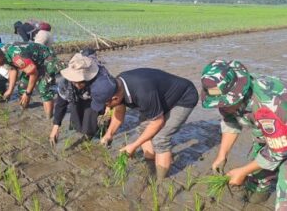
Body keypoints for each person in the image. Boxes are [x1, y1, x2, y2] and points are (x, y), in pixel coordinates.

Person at [201, 59, 287, 208]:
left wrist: (242, 171)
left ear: (237, 94)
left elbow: (278, 151)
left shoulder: (267, 105)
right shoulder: (232, 94)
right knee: (258, 175)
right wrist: (222, 155)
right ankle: (259, 197)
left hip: (281, 136)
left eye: (224, 103)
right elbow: (231, 121)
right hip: (272, 134)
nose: (222, 107)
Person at [92, 67, 198, 181]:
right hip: (159, 98)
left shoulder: (143, 92)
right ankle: (151, 163)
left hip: (183, 98)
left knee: (160, 139)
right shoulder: (116, 85)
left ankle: (160, 181)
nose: (107, 108)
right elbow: (119, 111)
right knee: (143, 130)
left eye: (106, 104)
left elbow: (157, 122)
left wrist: (133, 146)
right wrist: (109, 134)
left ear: (115, 98)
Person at [0, 42, 61, 118]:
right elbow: (12, 70)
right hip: (31, 62)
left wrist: (28, 93)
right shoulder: (3, 54)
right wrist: (10, 90)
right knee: (22, 87)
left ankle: (49, 118)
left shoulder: (16, 56)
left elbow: (34, 73)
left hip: (46, 59)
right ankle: (24, 112)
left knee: (43, 88)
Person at [49, 50, 112, 146]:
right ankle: (84, 130)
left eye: (81, 81)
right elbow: (61, 104)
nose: (78, 85)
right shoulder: (65, 83)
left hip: (94, 98)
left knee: (91, 119)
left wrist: (108, 109)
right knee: (77, 116)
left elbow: (110, 95)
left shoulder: (101, 78)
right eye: (75, 81)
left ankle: (93, 133)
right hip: (76, 96)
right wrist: (56, 126)